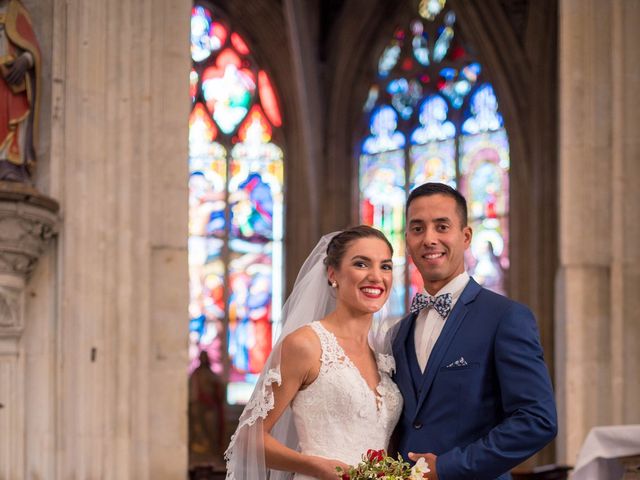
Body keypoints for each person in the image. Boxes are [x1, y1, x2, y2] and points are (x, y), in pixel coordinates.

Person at [392, 182, 557, 480]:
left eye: (442, 226)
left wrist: (448, 467)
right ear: (407, 240)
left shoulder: (505, 317)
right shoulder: (400, 331)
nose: (429, 238)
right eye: (418, 229)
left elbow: (537, 420)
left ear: (466, 236)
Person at [225, 226, 403, 480]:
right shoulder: (305, 344)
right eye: (361, 264)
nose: (376, 276)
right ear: (333, 274)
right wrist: (317, 466)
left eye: (385, 266)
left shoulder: (384, 354)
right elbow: (248, 439)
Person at [0, 0, 40, 182]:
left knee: (12, 119)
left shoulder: (17, 12)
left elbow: (33, 49)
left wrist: (25, 60)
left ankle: (9, 164)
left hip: (10, 81)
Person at [189, 350, 226, 468]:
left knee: (211, 429)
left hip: (210, 407)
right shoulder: (195, 374)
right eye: (202, 357)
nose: (203, 359)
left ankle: (212, 452)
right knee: (199, 430)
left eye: (205, 357)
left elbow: (219, 389)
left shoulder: (212, 374)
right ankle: (199, 452)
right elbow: (192, 391)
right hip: (198, 407)